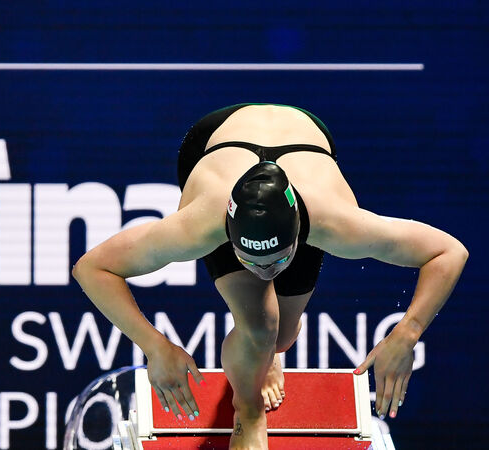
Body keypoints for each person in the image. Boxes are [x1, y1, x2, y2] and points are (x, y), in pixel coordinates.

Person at [71, 103, 468, 449]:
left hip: (307, 143)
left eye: (276, 262)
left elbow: (448, 252)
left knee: (281, 336)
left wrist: (406, 334)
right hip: (214, 142)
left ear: (299, 235)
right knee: (260, 326)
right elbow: (92, 268)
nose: (264, 274)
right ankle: (248, 410)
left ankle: (268, 352)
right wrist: (155, 346)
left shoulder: (338, 223)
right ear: (229, 234)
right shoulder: (198, 224)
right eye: (251, 261)